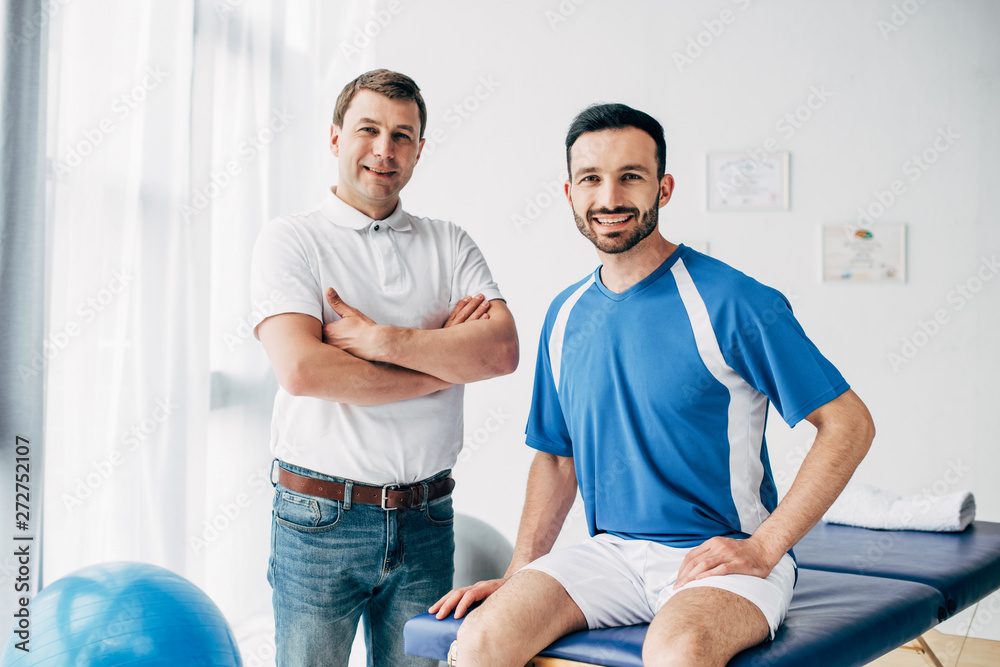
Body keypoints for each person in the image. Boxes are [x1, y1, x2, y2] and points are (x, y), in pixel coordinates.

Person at [430, 103, 875, 667]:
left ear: (663, 189)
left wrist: (765, 548)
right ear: (569, 193)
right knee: (479, 642)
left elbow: (849, 424)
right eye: (591, 179)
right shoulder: (565, 315)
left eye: (630, 176)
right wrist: (521, 571)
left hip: (721, 554)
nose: (609, 197)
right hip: (609, 555)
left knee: (679, 652)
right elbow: (558, 459)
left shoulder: (734, 302)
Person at [250, 69, 519, 667]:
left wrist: (378, 340)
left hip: (427, 518)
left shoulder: (450, 243)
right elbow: (304, 370)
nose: (384, 149)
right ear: (335, 137)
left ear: (419, 149)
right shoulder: (290, 239)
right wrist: (444, 361)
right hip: (319, 519)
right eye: (368, 130)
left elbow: (500, 351)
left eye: (402, 135)